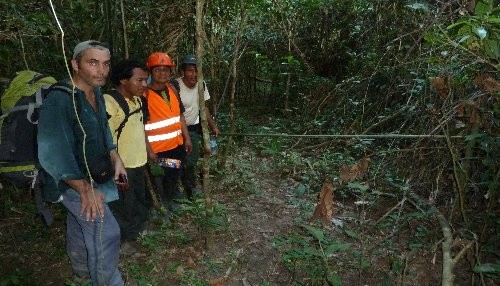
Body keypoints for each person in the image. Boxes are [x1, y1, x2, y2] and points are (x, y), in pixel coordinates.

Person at [37, 40, 126, 285]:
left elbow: (102, 128)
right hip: (71, 182)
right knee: (106, 233)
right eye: (93, 63)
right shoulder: (60, 99)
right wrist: (84, 189)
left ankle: (82, 271)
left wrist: (114, 155)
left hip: (95, 174)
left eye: (106, 64)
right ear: (76, 64)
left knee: (79, 223)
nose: (101, 71)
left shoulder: (95, 92)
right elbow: (52, 151)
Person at [104, 59, 150, 253]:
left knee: (139, 198)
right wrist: (117, 166)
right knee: (122, 204)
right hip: (121, 167)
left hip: (139, 162)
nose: (144, 85)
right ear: (123, 80)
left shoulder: (138, 100)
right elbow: (103, 138)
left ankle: (138, 230)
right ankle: (122, 241)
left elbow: (141, 128)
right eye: (139, 80)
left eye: (145, 80)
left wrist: (149, 150)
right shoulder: (109, 102)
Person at [144, 52, 192, 211]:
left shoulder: (172, 89)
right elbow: (140, 126)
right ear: (150, 72)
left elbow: (180, 116)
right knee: (159, 177)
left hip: (176, 145)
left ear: (171, 72)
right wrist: (149, 150)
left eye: (166, 70)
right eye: (157, 70)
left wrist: (187, 137)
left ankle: (170, 197)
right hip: (157, 150)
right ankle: (161, 204)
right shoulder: (144, 95)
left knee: (174, 172)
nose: (162, 73)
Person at [174, 54, 220, 198]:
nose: (194, 74)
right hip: (176, 129)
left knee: (191, 159)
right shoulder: (175, 86)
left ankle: (190, 189)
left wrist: (213, 126)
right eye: (190, 70)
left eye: (196, 71)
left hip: (192, 128)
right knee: (175, 161)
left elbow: (203, 107)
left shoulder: (202, 85)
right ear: (183, 72)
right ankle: (179, 190)